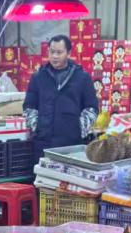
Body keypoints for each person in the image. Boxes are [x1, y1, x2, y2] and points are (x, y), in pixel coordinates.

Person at [23, 35, 99, 163]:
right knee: (43, 175)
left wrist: (80, 128)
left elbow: (91, 107)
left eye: (59, 52)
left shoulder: (82, 78)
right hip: (43, 143)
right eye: (52, 52)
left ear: (68, 53)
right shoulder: (38, 77)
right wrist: (37, 127)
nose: (55, 56)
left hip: (72, 144)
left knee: (69, 175)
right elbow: (29, 106)